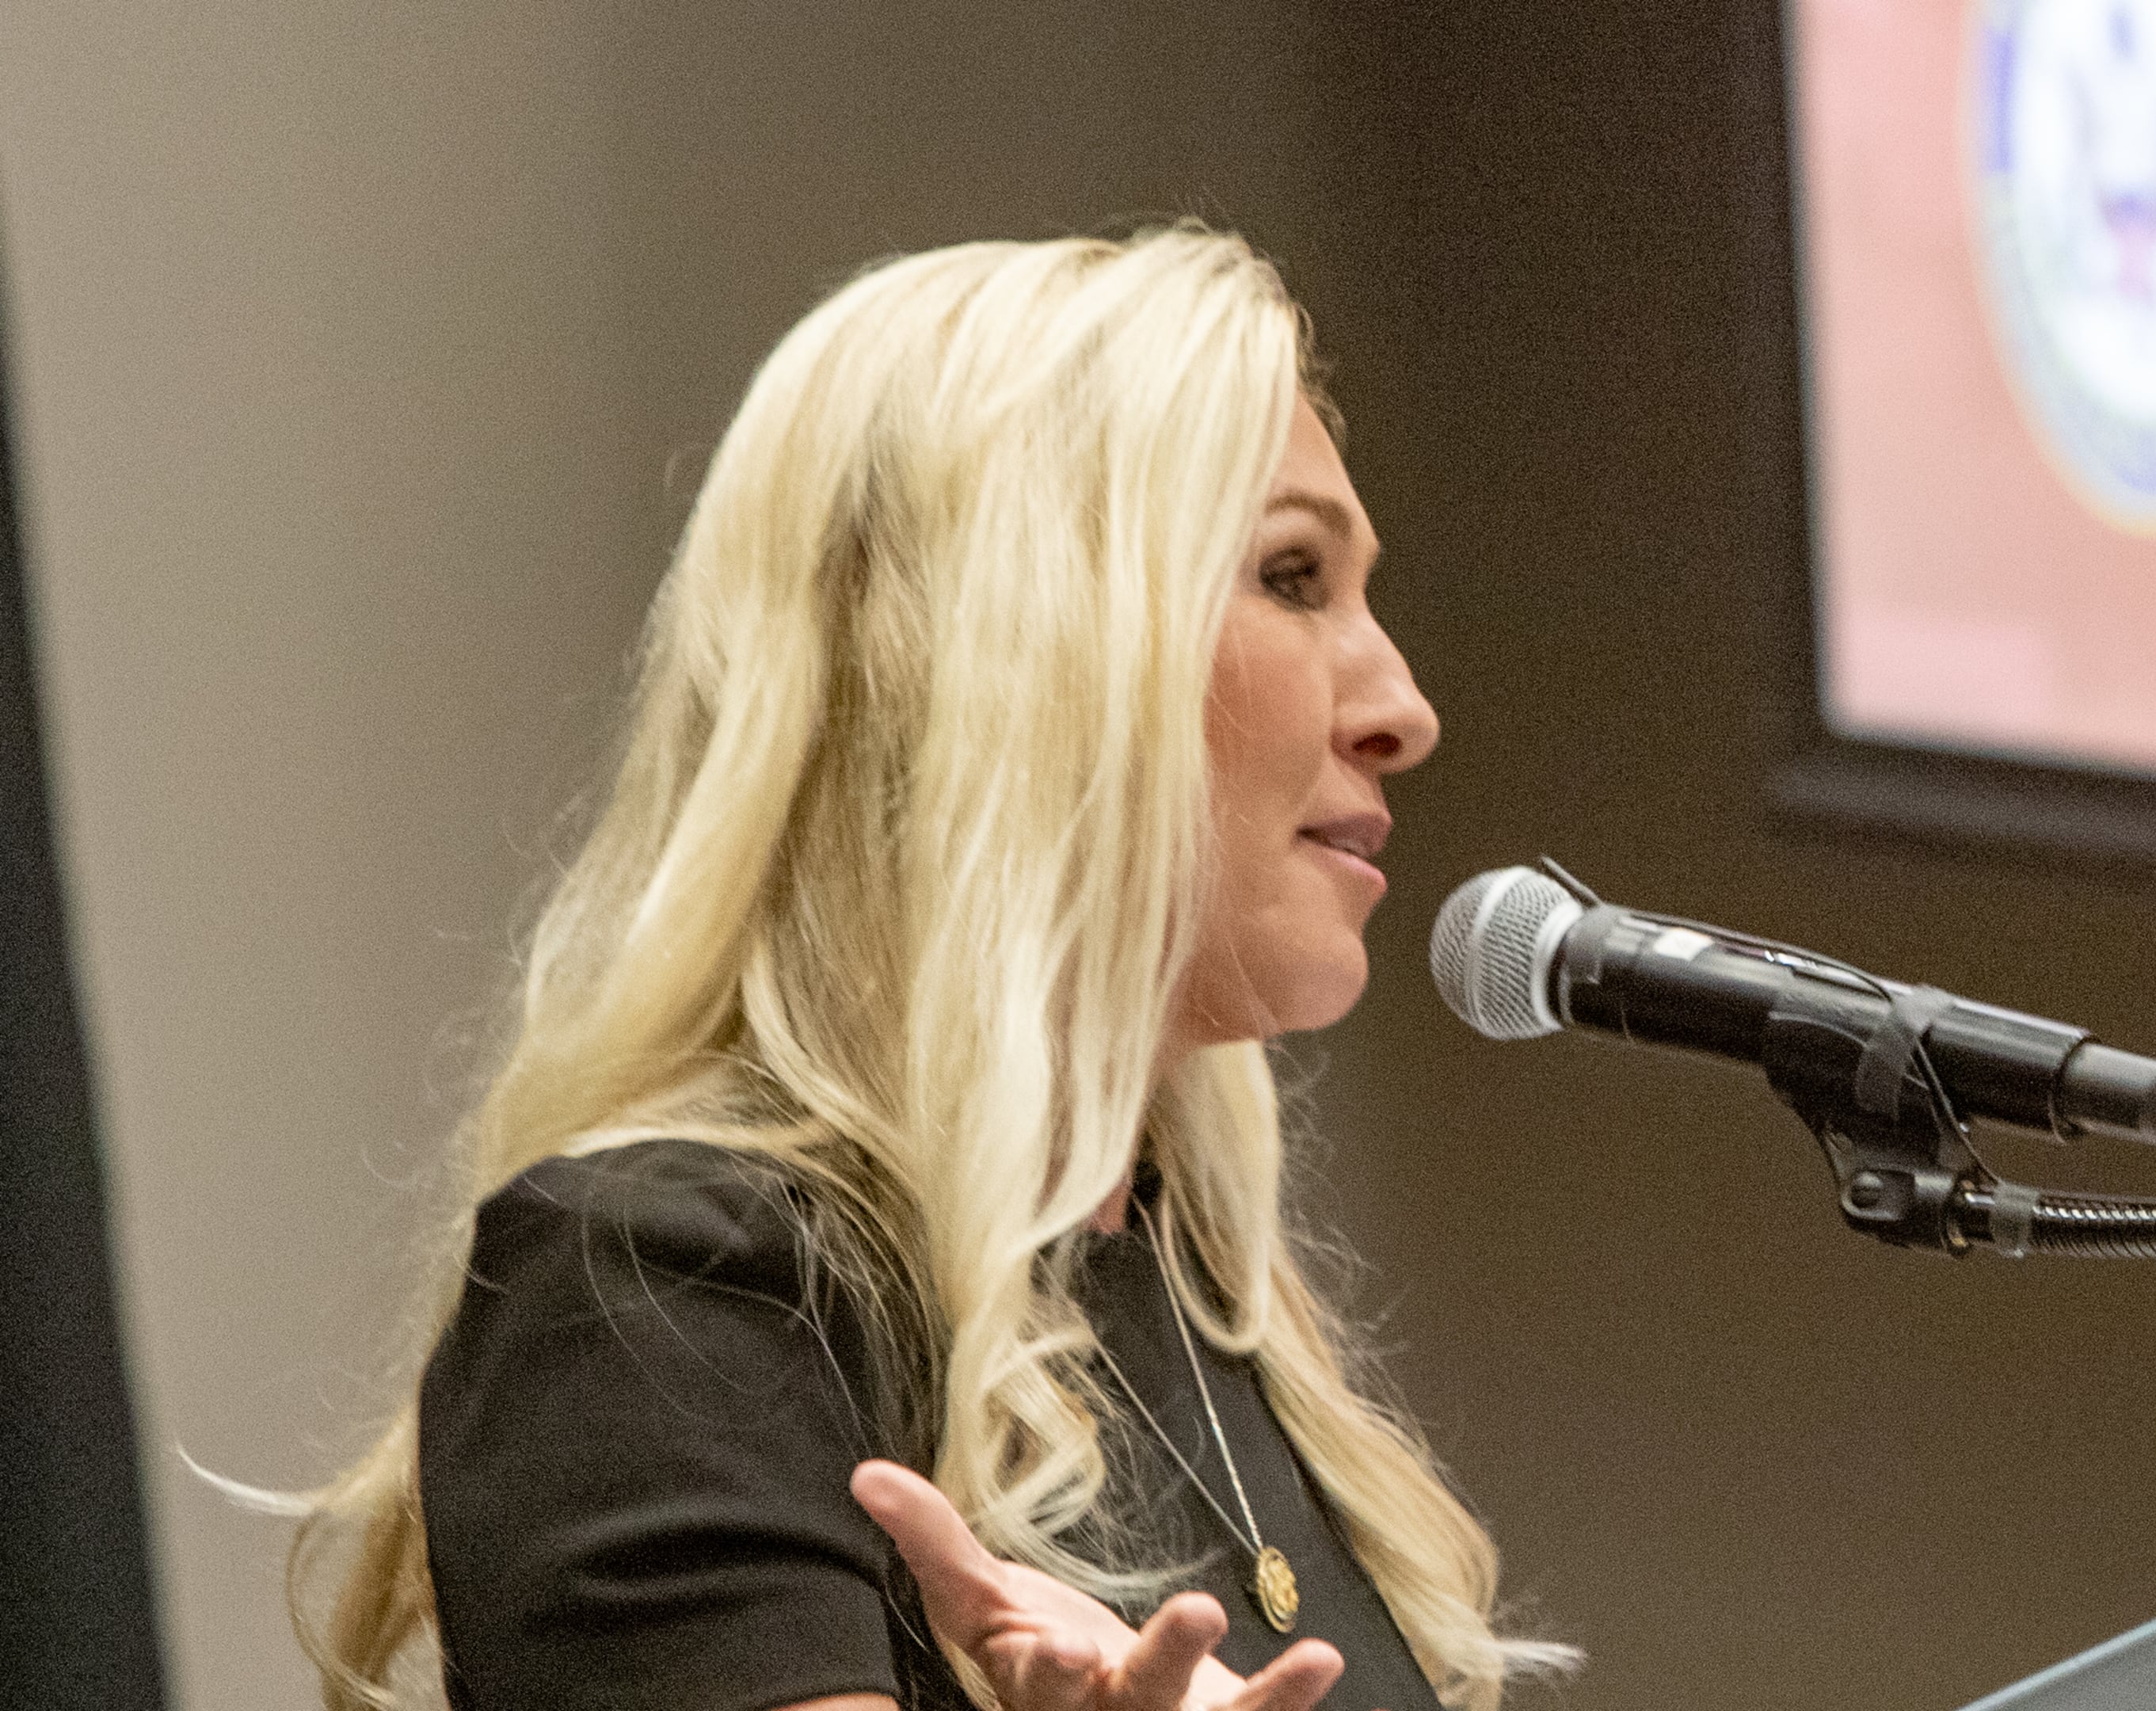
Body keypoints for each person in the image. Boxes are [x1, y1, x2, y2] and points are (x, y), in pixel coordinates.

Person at [283, 229, 1571, 1711]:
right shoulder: (665, 1291)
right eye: (1292, 577)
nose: (1400, 705)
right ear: (1017, 650)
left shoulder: (1191, 1289)